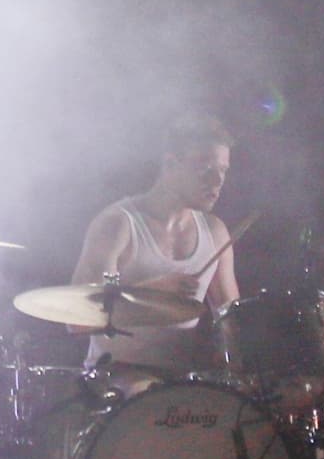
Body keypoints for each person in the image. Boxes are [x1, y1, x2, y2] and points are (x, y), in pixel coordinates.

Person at [69, 112, 243, 383]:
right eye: (206, 168)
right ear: (171, 164)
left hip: (182, 380)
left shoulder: (215, 233)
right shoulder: (117, 225)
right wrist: (150, 293)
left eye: (223, 170)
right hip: (114, 378)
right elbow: (78, 320)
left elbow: (232, 323)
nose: (217, 180)